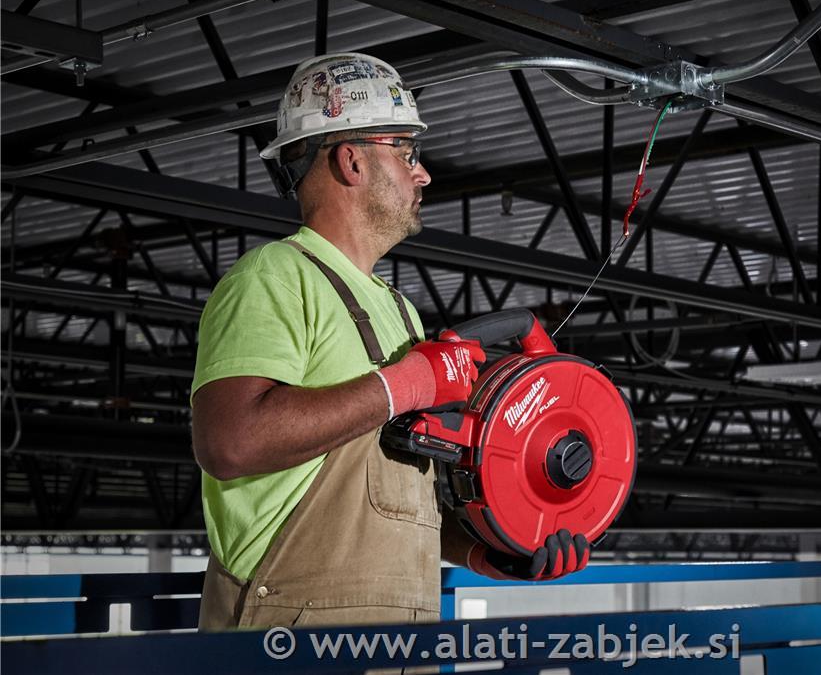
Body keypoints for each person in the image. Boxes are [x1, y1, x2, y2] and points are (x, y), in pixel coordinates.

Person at [190, 54, 589, 631]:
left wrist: (486, 553)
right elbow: (230, 442)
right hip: (291, 634)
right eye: (406, 152)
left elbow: (400, 500)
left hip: (401, 633)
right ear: (351, 161)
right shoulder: (273, 277)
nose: (422, 174)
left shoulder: (398, 309)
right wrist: (405, 384)